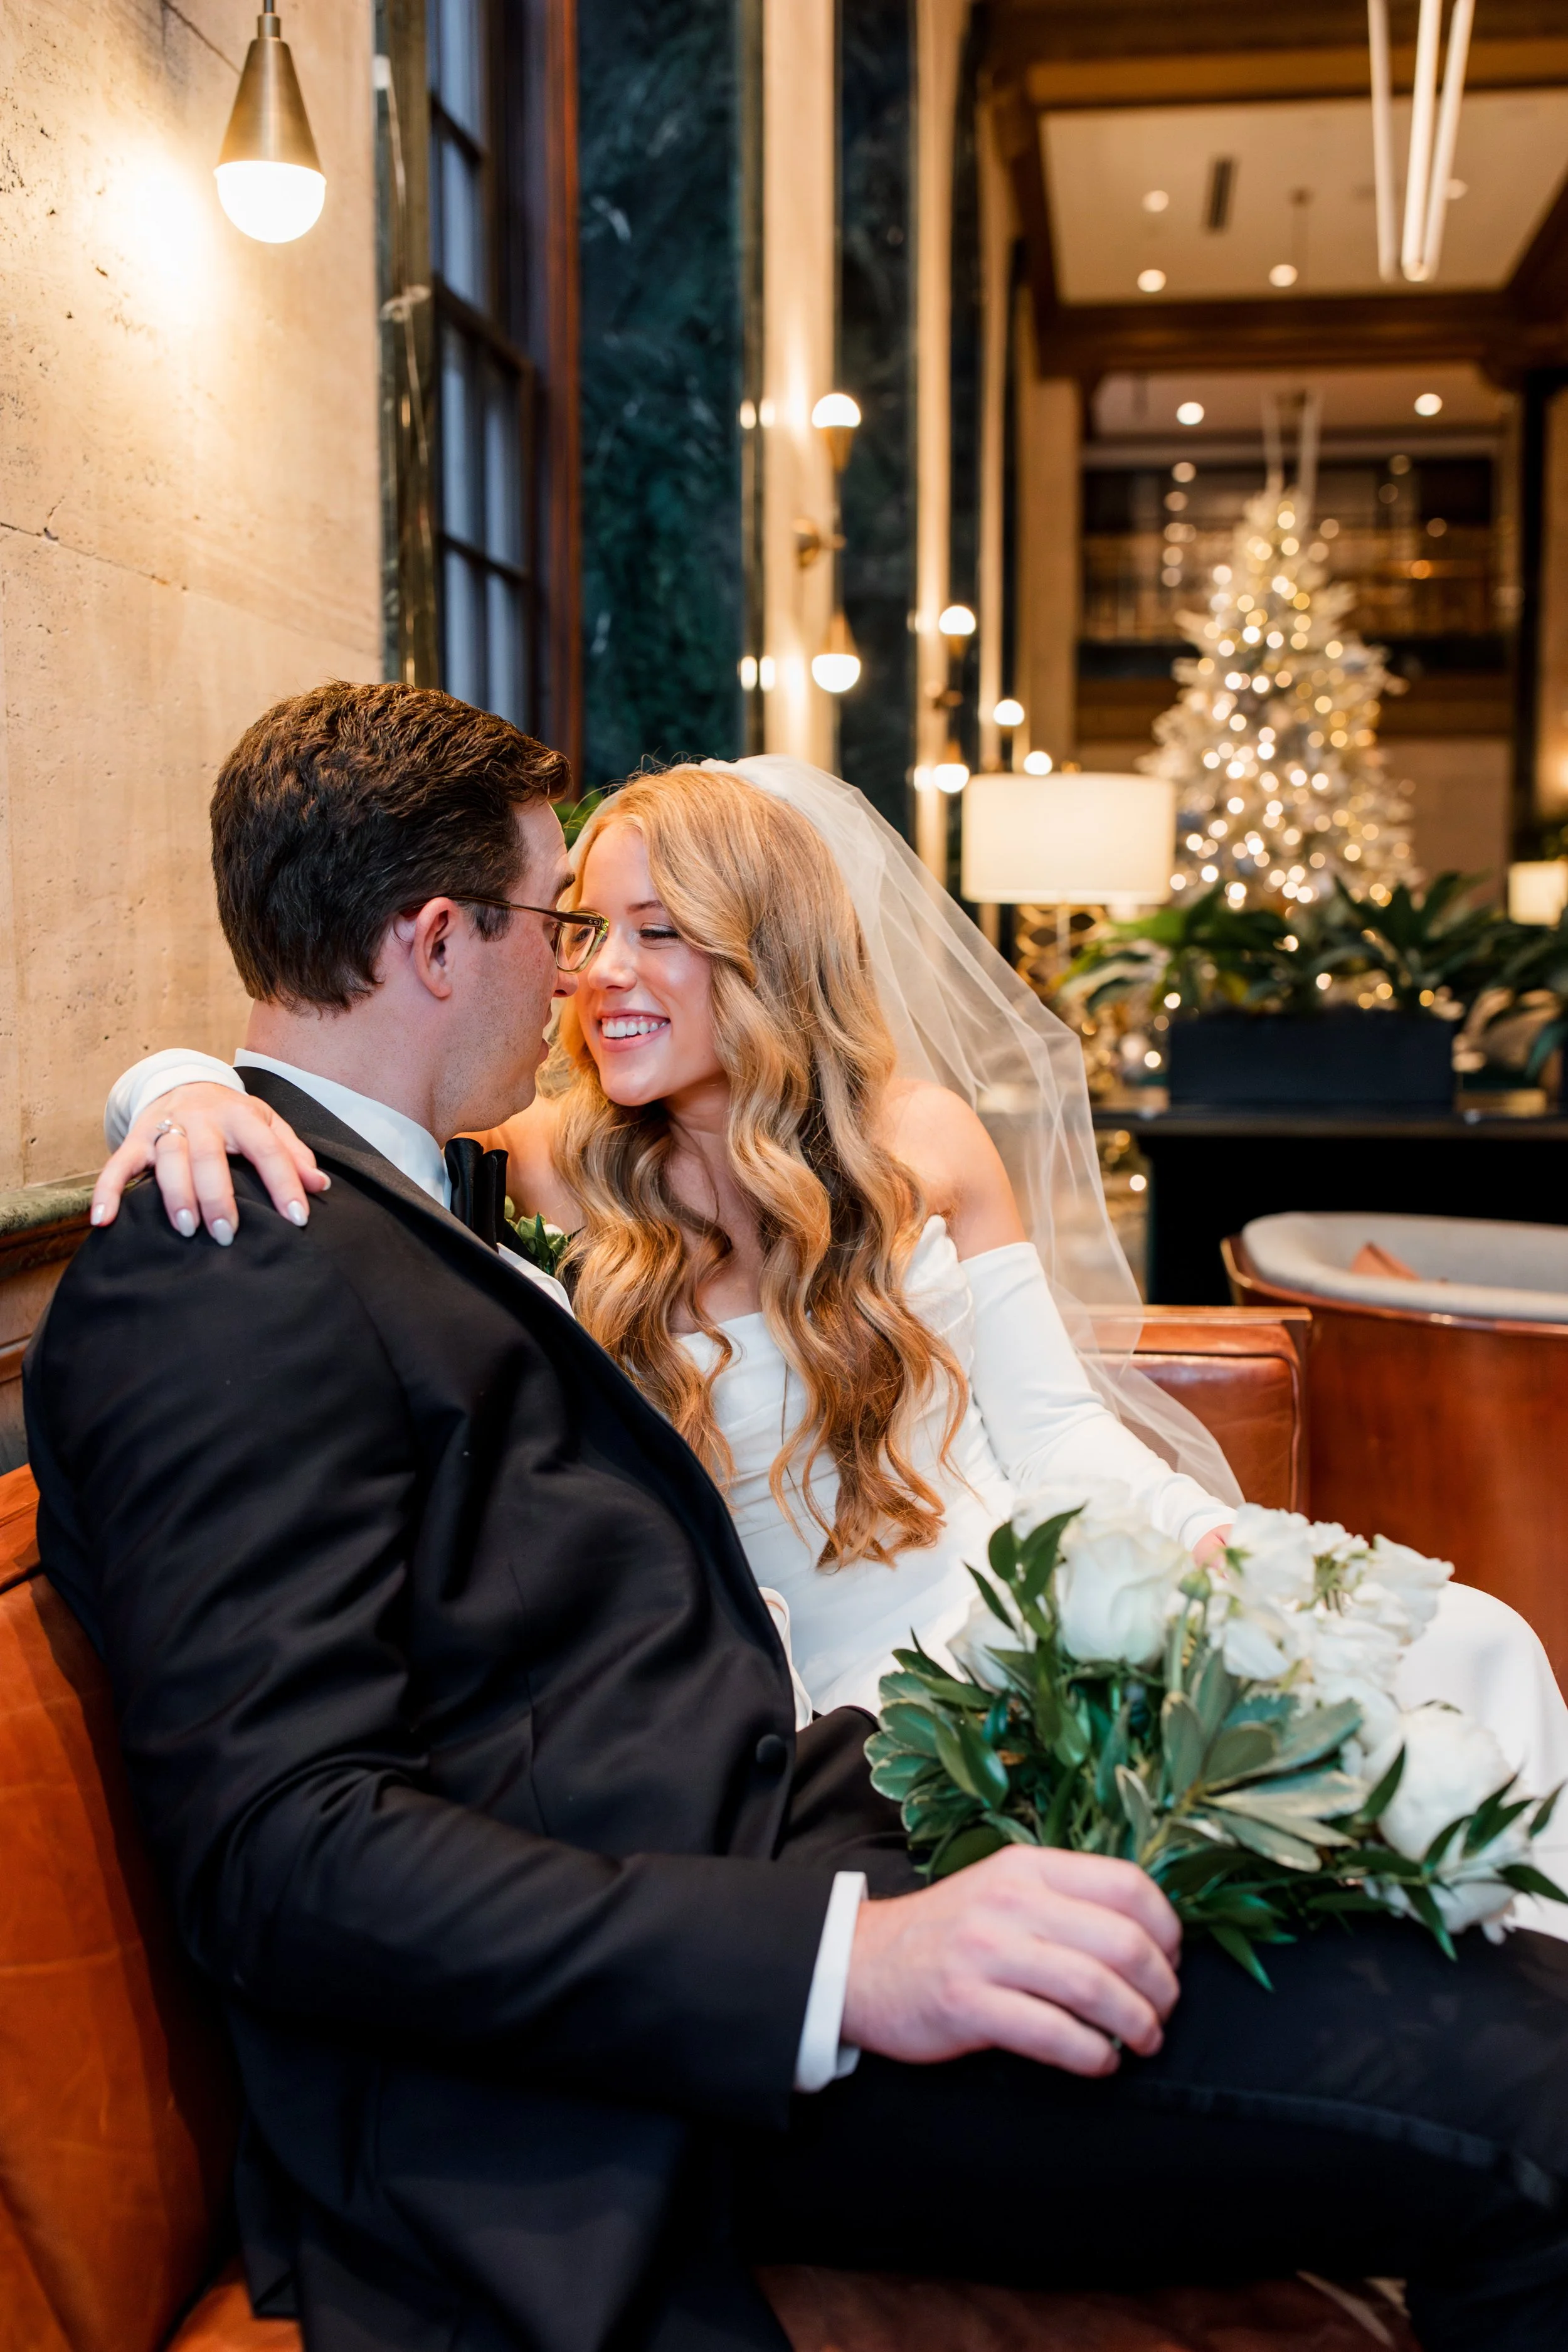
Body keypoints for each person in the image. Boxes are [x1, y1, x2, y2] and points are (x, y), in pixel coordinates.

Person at [38, 682, 1568, 2352]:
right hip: (686, 2045)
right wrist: (859, 1959)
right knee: (1528, 2103)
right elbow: (290, 1850)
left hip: (815, 1819)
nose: (579, 974)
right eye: (558, 925)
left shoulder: (381, 1198)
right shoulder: (227, 1258)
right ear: (431, 942)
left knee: (1499, 1971)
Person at [97, 758, 1568, 1932]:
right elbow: (330, 1100)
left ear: (766, 953)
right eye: (585, 929)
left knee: (1470, 1645)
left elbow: (1054, 1439)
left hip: (1017, 1597)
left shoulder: (917, 1140)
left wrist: (1212, 1556)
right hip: (834, 1706)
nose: (597, 974)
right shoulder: (545, 1161)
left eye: (658, 933)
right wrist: (170, 1093)